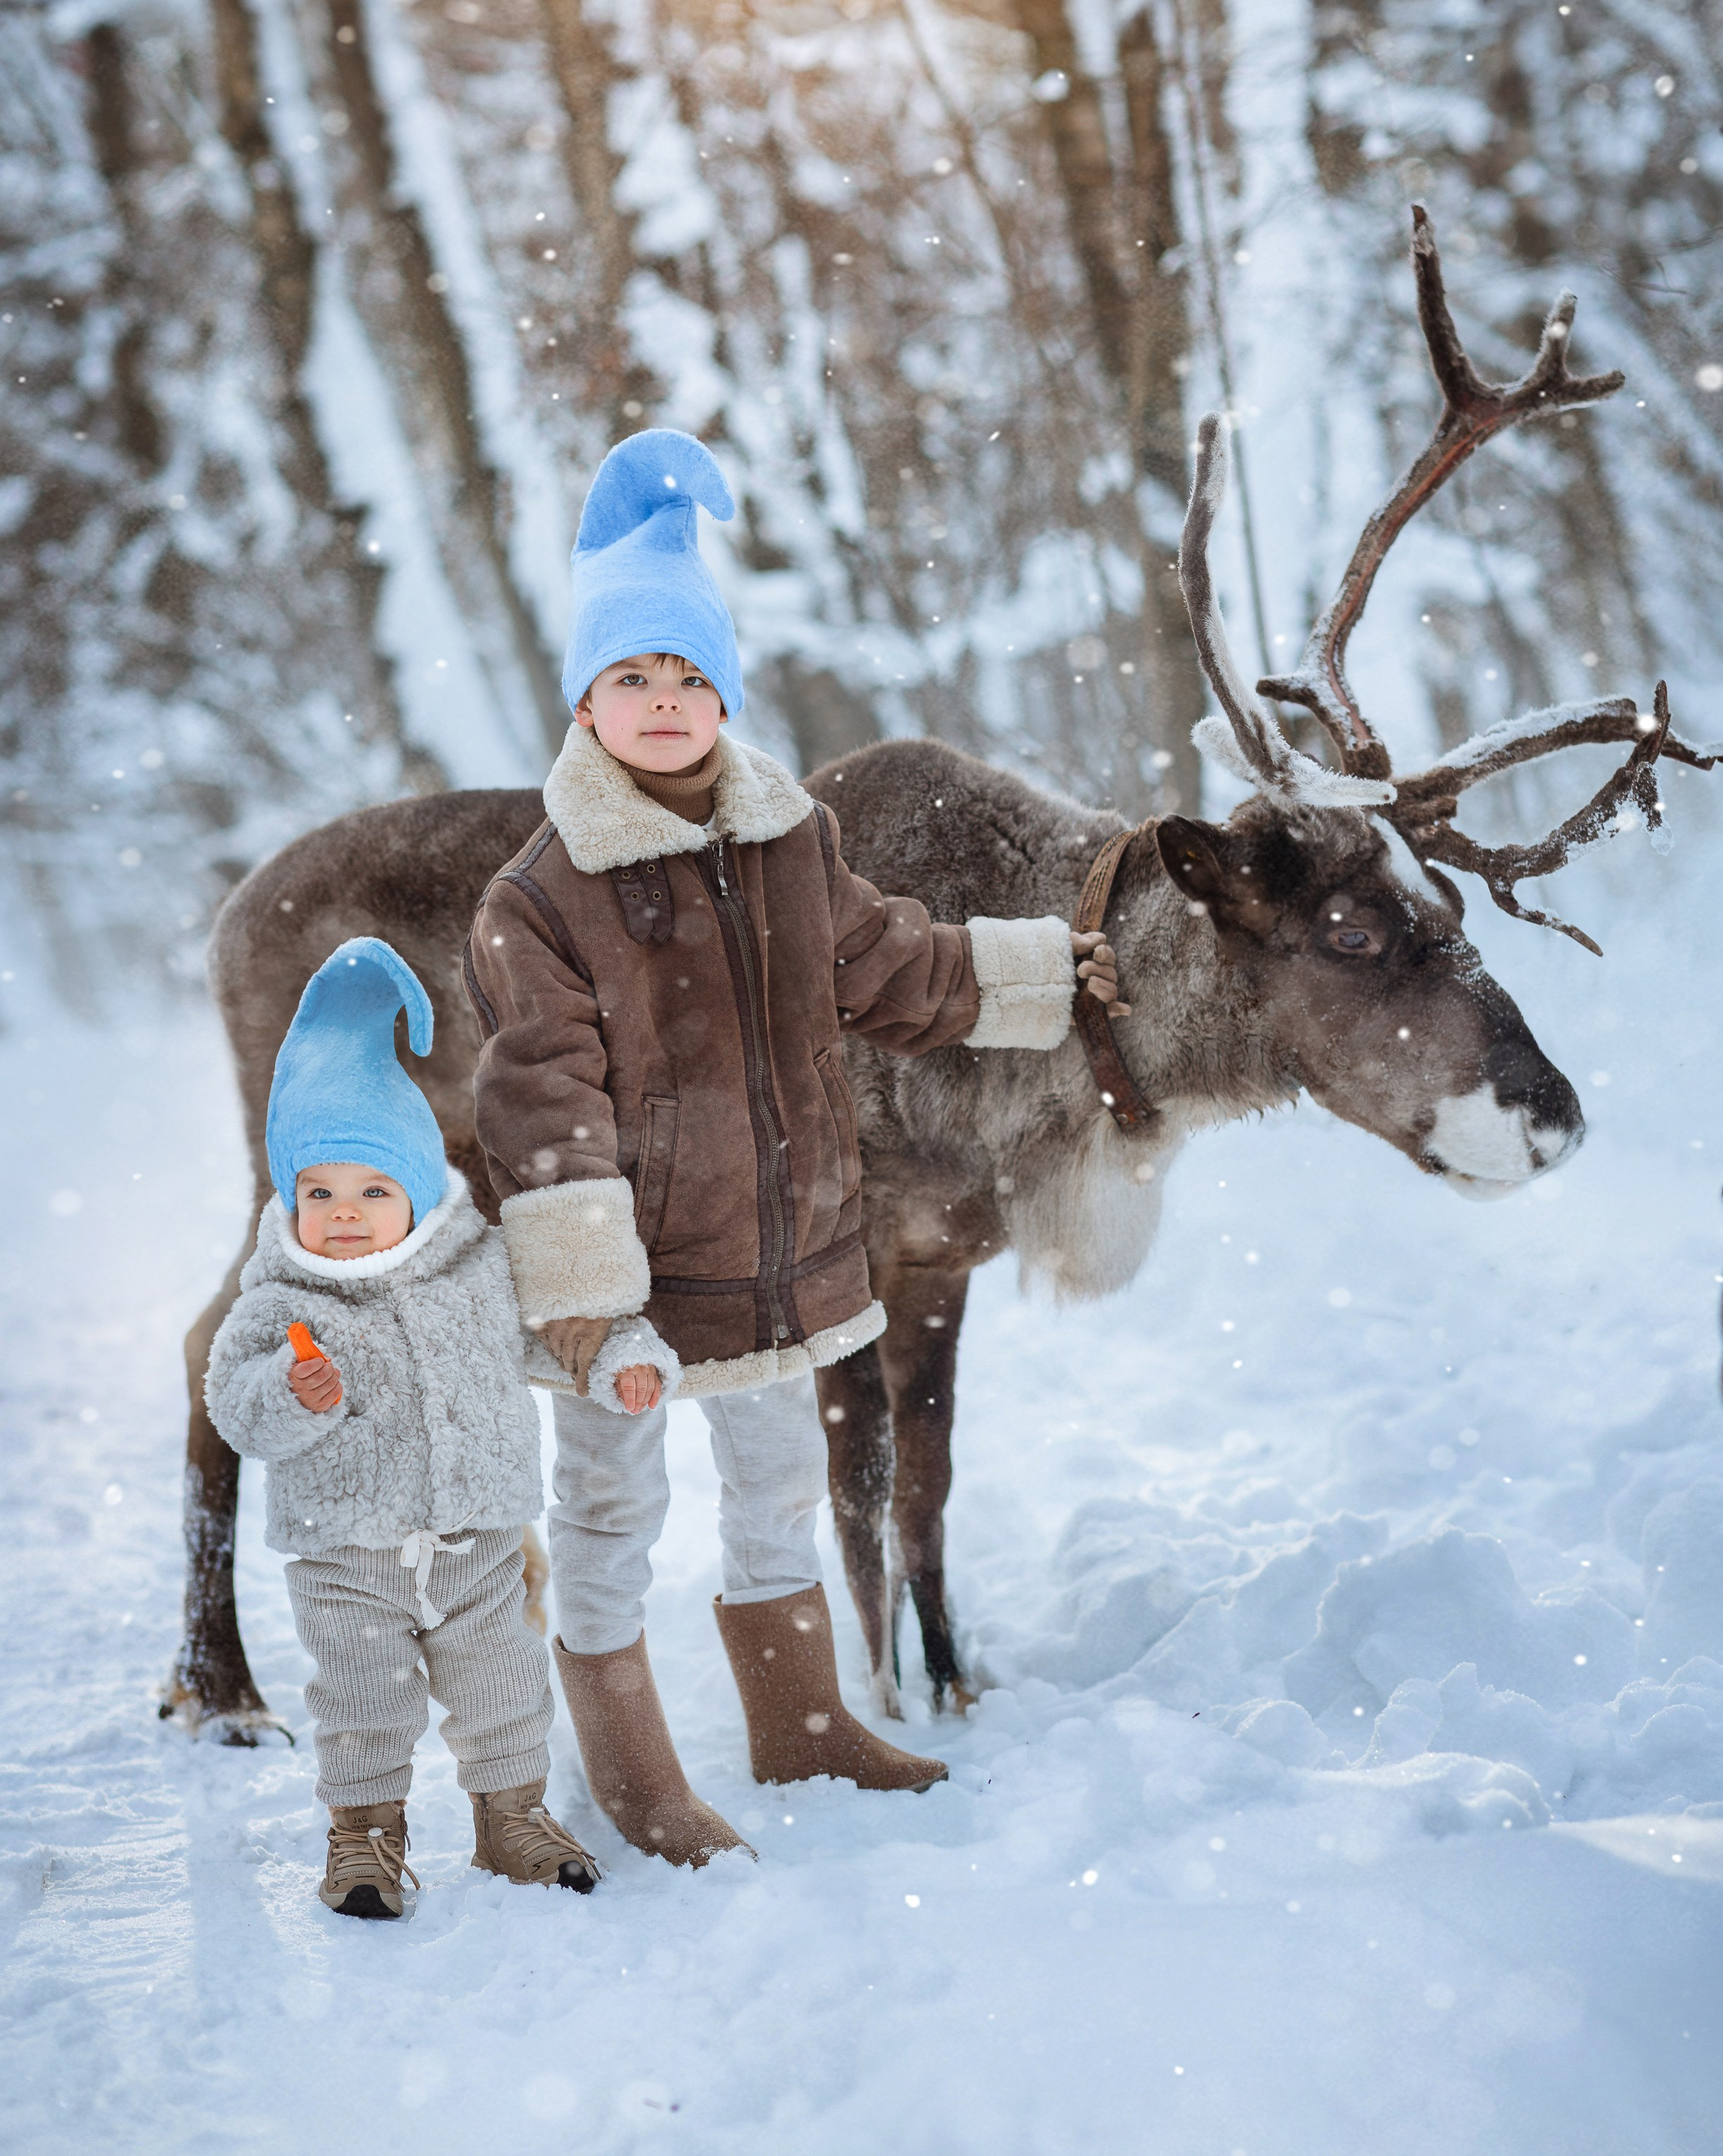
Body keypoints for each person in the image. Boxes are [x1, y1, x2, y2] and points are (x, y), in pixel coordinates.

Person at [465, 428, 1124, 1865]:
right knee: (610, 1507)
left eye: (688, 675)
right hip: (629, 1291)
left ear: (722, 694)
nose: (662, 701)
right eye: (631, 676)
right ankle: (637, 1772)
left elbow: (891, 968)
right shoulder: (542, 896)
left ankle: (801, 1726)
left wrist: (1038, 973)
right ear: (584, 698)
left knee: (775, 1487)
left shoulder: (787, 841)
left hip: (779, 1267)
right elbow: (540, 1096)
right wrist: (586, 1299)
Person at [205, 937, 605, 1918]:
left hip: (477, 1534)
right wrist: (291, 1397)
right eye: (320, 1192)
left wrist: (616, 1354)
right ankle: (364, 1839)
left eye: (373, 1190)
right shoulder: (278, 1296)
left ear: (419, 1190)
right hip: (346, 1551)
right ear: (290, 1198)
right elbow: (233, 1401)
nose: (344, 1215)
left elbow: (553, 1333)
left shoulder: (479, 1269)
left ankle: (512, 1817)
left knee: (503, 1682)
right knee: (360, 1700)